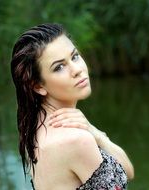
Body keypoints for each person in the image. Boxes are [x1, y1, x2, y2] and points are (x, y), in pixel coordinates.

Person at [10, 23, 134, 190]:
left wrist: (96, 133)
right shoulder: (75, 139)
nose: (77, 70)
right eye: (59, 67)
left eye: (74, 56)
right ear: (38, 86)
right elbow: (127, 174)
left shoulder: (35, 127)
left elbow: (127, 172)